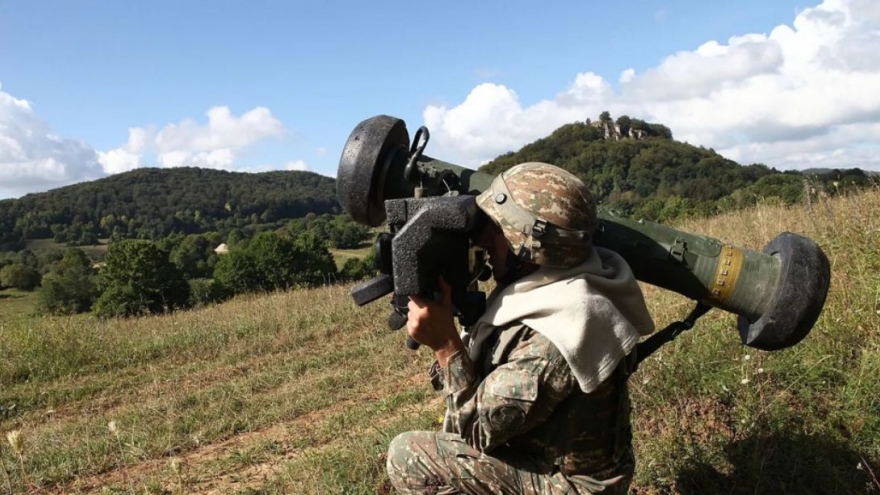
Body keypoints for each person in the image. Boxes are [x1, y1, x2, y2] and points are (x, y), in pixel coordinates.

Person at [385, 162, 655, 494]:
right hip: (552, 461)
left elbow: (475, 430)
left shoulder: (559, 332)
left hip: (571, 486)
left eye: (497, 228)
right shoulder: (566, 284)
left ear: (528, 247)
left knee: (409, 456)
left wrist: (445, 345)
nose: (482, 238)